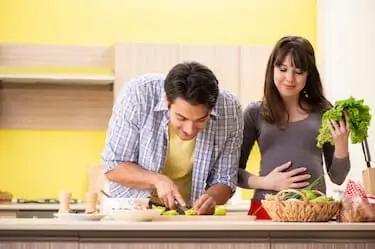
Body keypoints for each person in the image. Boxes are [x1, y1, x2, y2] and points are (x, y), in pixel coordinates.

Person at [101, 61, 243, 215]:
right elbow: (113, 166)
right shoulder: (138, 94)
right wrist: (157, 180)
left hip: (189, 214)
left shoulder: (230, 109)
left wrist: (211, 198)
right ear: (167, 101)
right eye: (181, 118)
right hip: (134, 212)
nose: (189, 130)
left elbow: (225, 179)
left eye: (201, 120)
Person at [238, 36, 351, 219]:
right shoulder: (254, 112)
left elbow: (337, 177)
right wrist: (267, 183)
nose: (289, 78)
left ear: (309, 75)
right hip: (267, 211)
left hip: (313, 212)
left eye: (298, 72)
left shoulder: (325, 112)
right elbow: (233, 172)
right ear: (272, 69)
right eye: (282, 69)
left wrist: (342, 145)